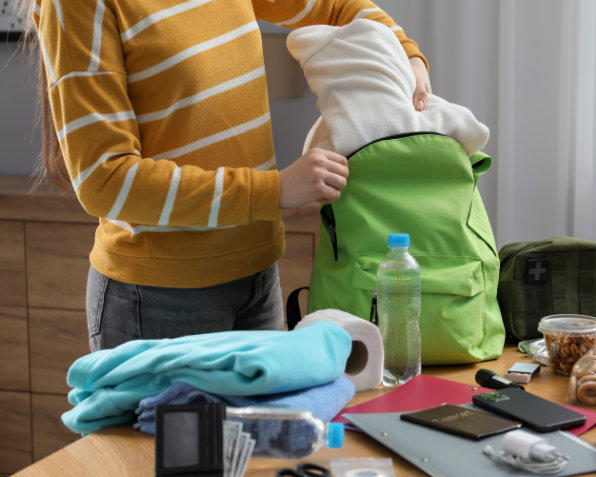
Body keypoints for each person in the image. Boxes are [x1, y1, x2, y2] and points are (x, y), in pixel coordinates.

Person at [23, 0, 431, 351]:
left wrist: (405, 52)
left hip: (258, 276)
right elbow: (105, 181)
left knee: (254, 445)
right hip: (159, 301)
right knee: (177, 447)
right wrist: (274, 191)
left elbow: (335, 6)